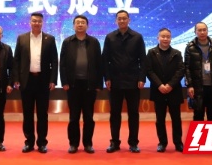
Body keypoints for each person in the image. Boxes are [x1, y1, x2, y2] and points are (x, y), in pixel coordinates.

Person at [102, 10, 147, 153]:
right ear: (116, 21)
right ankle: (114, 142)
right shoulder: (110, 37)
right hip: (115, 81)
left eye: (124, 18)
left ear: (129, 20)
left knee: (133, 113)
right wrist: (107, 78)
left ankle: (133, 143)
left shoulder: (137, 37)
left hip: (133, 81)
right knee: (115, 113)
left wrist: (142, 78)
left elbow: (143, 59)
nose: (122, 21)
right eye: (119, 19)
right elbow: (105, 60)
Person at [12, 12, 58, 154]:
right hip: (27, 80)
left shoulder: (50, 39)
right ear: (30, 22)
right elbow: (16, 60)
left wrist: (53, 80)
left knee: (43, 114)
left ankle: (42, 142)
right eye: (34, 21)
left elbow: (54, 61)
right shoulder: (22, 38)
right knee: (27, 113)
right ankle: (29, 142)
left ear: (42, 23)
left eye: (39, 21)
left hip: (43, 81)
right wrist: (16, 78)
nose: (36, 23)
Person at [59, 15, 102, 154]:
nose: (80, 24)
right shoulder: (67, 42)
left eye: (83, 22)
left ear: (87, 26)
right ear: (73, 26)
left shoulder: (94, 42)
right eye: (77, 22)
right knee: (74, 117)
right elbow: (62, 64)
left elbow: (99, 64)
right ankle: (73, 144)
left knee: (89, 117)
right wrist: (64, 82)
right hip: (73, 85)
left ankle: (88, 143)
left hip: (89, 85)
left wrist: (98, 83)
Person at [146, 28, 185, 152]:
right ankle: (162, 143)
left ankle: (178, 142)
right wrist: (159, 85)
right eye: (163, 36)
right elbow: (149, 71)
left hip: (174, 90)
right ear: (158, 38)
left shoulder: (177, 53)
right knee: (160, 119)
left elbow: (181, 70)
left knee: (176, 119)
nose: (165, 39)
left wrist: (170, 85)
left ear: (171, 38)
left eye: (168, 36)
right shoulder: (151, 52)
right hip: (158, 91)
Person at [184, 22, 212, 121]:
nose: (202, 32)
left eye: (204, 30)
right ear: (195, 32)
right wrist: (189, 85)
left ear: (207, 31)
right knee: (198, 116)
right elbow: (186, 68)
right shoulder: (190, 47)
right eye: (199, 30)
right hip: (197, 87)